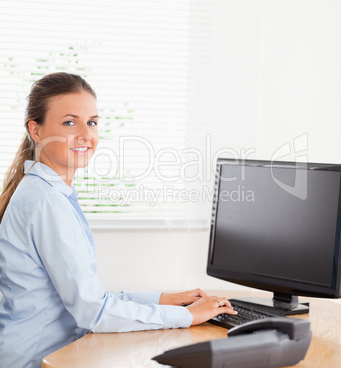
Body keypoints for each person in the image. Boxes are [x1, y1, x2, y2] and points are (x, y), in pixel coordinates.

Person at [0, 72, 236, 367]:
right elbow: (93, 311)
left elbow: (88, 294)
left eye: (92, 122)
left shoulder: (48, 192)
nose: (86, 135)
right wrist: (188, 315)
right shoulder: (47, 201)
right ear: (36, 131)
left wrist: (165, 299)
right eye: (70, 122)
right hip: (35, 360)